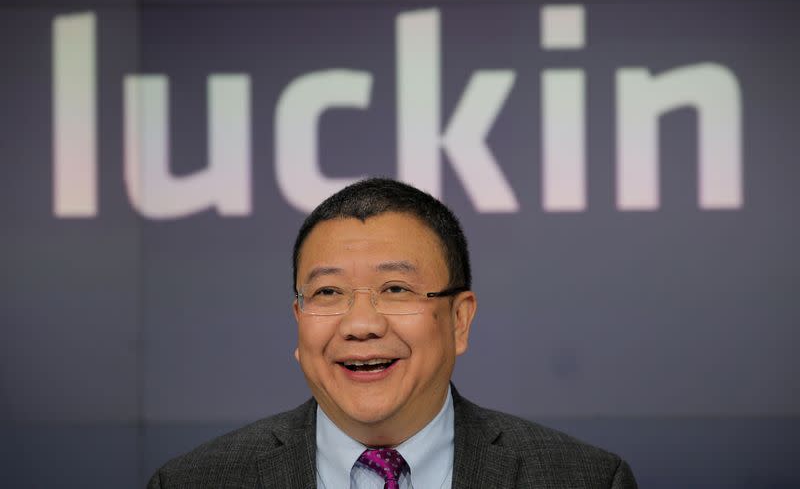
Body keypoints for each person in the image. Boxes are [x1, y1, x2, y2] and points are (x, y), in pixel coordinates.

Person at [148, 178, 638, 488]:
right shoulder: (193, 481)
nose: (361, 325)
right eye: (328, 293)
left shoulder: (583, 480)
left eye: (397, 288)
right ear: (297, 319)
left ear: (459, 320)